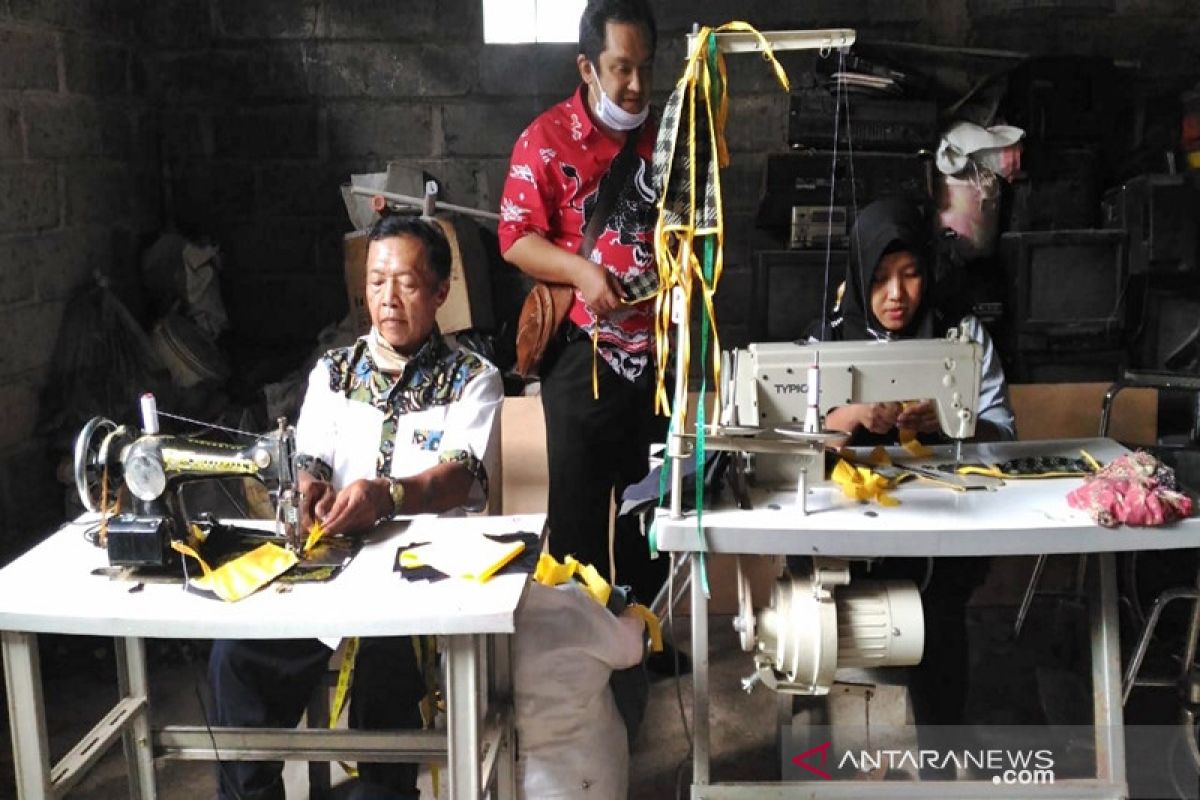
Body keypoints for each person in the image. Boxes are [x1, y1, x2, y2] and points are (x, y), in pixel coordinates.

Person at [208, 214, 502, 800]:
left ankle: (384, 792)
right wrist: (310, 485)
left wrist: (388, 496)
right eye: (375, 282)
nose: (387, 300)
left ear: (441, 292)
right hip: (332, 571)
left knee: (386, 677)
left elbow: (459, 476)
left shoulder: (474, 378)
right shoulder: (335, 372)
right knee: (235, 658)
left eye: (407, 284)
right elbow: (311, 456)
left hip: (421, 583)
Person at [819, 196, 1015, 736]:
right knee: (840, 642)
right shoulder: (831, 337)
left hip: (941, 525)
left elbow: (1004, 434)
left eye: (910, 275)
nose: (896, 295)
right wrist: (854, 414)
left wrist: (953, 418)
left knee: (940, 630)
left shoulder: (962, 335)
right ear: (860, 277)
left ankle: (940, 745)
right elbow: (798, 438)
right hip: (853, 529)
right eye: (880, 278)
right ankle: (849, 744)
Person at [498, 0, 664, 604]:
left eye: (646, 66)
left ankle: (644, 634)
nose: (637, 83)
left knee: (652, 502)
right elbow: (515, 238)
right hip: (581, 353)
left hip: (658, 360)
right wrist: (583, 273)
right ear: (588, 66)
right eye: (622, 67)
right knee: (578, 510)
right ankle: (582, 647)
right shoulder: (545, 139)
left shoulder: (667, 137)